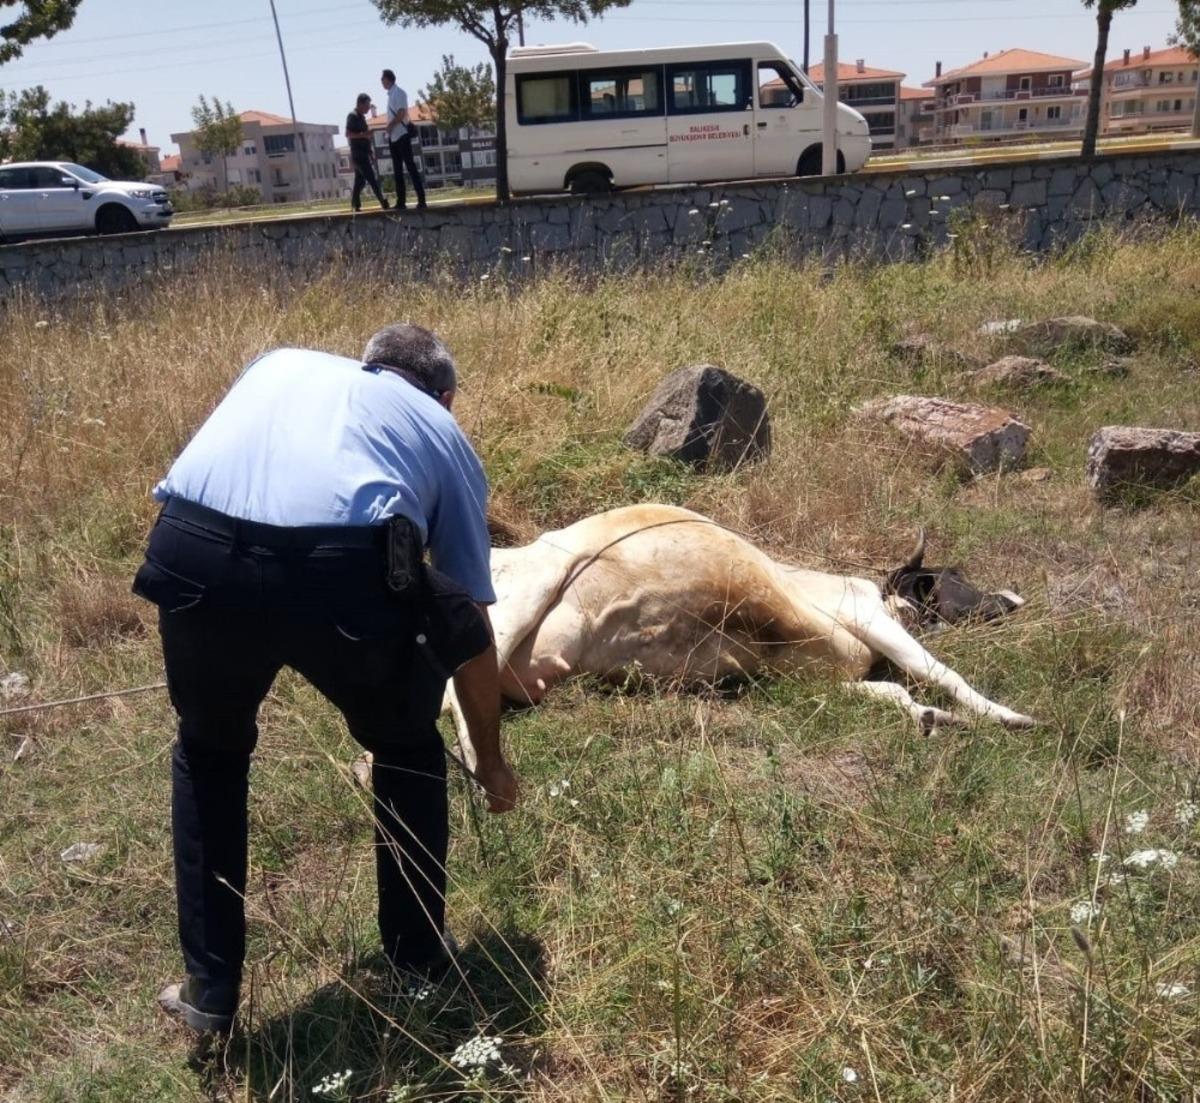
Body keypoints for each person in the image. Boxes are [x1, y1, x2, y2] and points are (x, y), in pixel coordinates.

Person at [135, 324, 518, 1035]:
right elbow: (467, 613)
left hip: (194, 548)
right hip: (340, 570)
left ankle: (208, 992)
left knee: (209, 753)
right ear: (445, 395)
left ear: (367, 363)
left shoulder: (278, 362)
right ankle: (415, 962)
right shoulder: (440, 426)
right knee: (405, 746)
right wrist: (491, 760)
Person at [381, 68, 427, 210]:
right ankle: (401, 202)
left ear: (388, 79)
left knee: (411, 167)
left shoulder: (399, 93)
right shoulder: (390, 95)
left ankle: (421, 200)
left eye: (382, 79)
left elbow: (401, 113)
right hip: (393, 137)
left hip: (401, 135)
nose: (381, 82)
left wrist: (390, 125)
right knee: (397, 171)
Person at [345, 92, 390, 212]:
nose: (368, 109)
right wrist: (364, 134)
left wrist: (370, 152)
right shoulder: (352, 116)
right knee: (372, 178)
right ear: (360, 104)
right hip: (358, 154)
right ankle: (382, 200)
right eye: (367, 106)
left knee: (360, 181)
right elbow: (348, 134)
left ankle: (355, 204)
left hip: (364, 153)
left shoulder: (362, 118)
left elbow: (365, 137)